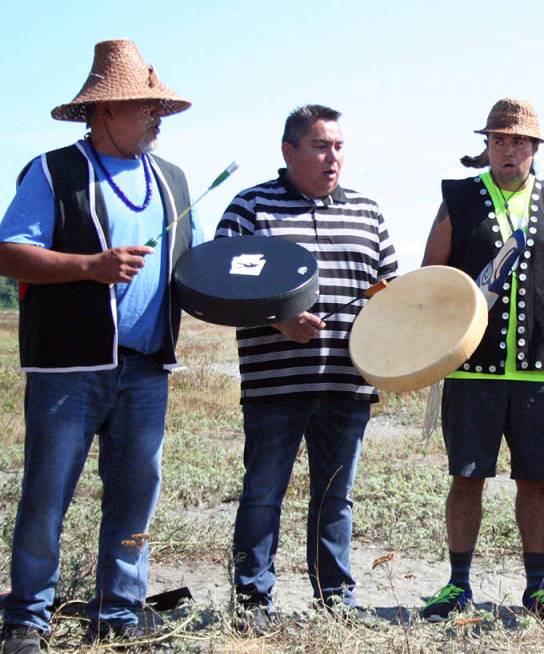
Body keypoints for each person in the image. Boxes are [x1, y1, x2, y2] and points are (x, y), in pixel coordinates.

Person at [0, 40, 193, 651]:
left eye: (158, 107)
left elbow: (195, 272)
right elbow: (8, 252)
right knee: (47, 493)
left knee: (137, 491)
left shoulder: (174, 180)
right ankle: (27, 620)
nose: (156, 117)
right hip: (68, 368)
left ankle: (119, 614)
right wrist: (90, 265)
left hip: (146, 370)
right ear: (104, 112)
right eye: (144, 107)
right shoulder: (53, 171)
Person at [215, 104, 397, 630]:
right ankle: (252, 601)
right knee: (263, 493)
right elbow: (221, 287)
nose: (332, 157)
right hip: (276, 385)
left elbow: (388, 290)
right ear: (289, 151)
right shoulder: (251, 208)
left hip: (347, 384)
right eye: (320, 146)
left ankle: (335, 597)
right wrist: (279, 322)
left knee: (336, 495)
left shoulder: (368, 211)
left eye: (338, 146)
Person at [418, 98, 544, 621]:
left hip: (540, 370)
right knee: (467, 477)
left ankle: (537, 586)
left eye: (518, 141)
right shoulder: (459, 198)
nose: (508, 150)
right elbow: (433, 276)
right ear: (486, 146)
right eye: (498, 140)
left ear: (535, 148)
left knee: (533, 479)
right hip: (472, 368)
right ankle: (457, 585)